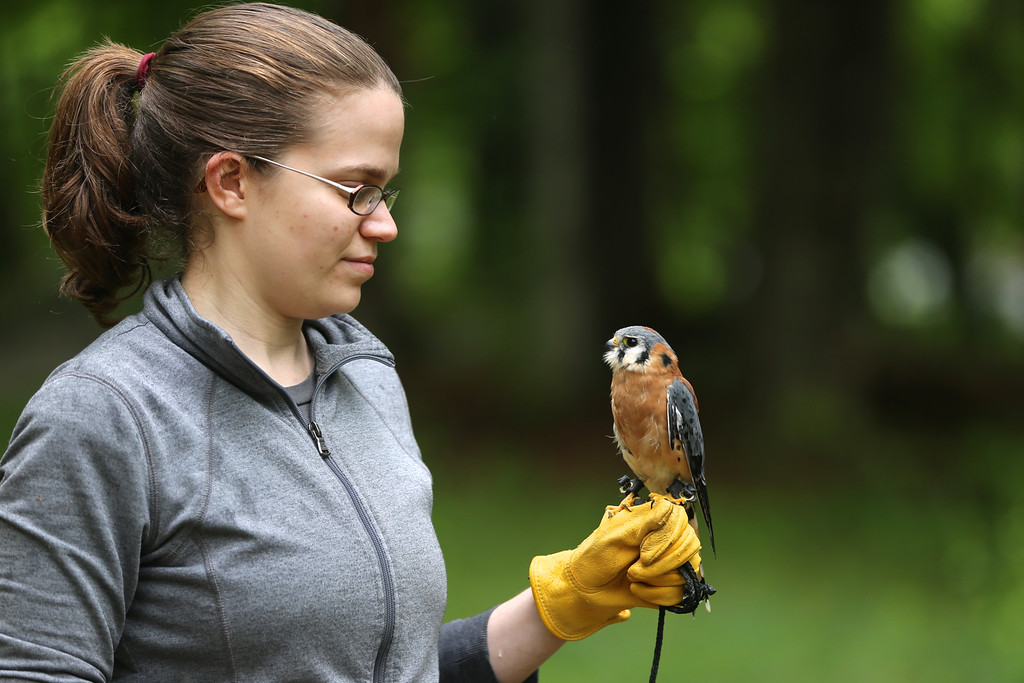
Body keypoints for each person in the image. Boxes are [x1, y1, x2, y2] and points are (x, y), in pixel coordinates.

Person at [0, 3, 706, 681]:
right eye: (354, 189)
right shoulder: (103, 416)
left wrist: (562, 604)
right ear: (231, 183)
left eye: (386, 191)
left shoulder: (364, 374)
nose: (384, 224)